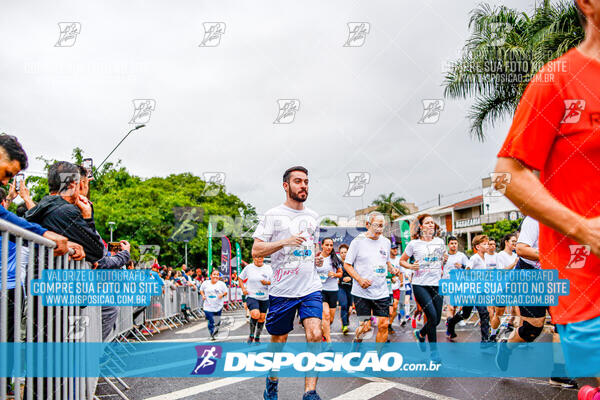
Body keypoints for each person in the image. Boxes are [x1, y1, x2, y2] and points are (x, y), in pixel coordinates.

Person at [495, 1, 600, 393]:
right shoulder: (557, 79)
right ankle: (514, 351)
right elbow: (507, 179)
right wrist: (584, 230)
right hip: (565, 276)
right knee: (534, 328)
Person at [251, 166, 324, 400]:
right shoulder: (273, 215)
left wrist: (318, 258)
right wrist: (285, 242)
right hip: (282, 290)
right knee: (279, 341)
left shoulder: (313, 217)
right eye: (298, 182)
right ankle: (271, 383)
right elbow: (257, 249)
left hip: (310, 287)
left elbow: (313, 249)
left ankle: (310, 392)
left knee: (315, 334)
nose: (303, 186)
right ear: (286, 186)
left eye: (306, 182)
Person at [25, 161, 104, 263]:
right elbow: (96, 251)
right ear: (72, 186)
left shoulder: (42, 207)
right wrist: (88, 216)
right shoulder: (66, 211)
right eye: (77, 184)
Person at [344, 212, 400, 346]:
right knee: (366, 328)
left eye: (382, 226)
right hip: (361, 292)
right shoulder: (357, 242)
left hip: (381, 291)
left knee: (383, 325)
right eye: (377, 226)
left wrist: (393, 269)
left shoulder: (386, 242)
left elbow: (386, 262)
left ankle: (377, 358)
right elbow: (347, 264)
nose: (380, 229)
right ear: (368, 225)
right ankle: (357, 341)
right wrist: (359, 279)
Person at [399, 214, 446, 360]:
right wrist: (411, 265)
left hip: (437, 284)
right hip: (420, 284)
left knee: (437, 319)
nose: (431, 225)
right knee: (431, 315)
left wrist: (445, 259)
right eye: (428, 223)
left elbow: (442, 259)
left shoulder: (439, 242)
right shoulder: (414, 244)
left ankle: (420, 333)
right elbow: (402, 261)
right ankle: (434, 352)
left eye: (433, 222)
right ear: (421, 226)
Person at [445, 234, 491, 345]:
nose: (487, 245)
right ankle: (451, 322)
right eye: (484, 244)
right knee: (471, 314)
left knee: (480, 314)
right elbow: (468, 268)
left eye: (487, 243)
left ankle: (485, 340)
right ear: (477, 246)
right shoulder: (475, 258)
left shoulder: (486, 258)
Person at [490, 232, 519, 341]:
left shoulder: (516, 255)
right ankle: (492, 334)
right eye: (513, 242)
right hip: (502, 288)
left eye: (516, 242)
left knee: (517, 311)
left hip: (514, 287)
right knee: (499, 313)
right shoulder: (501, 255)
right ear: (506, 242)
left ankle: (516, 335)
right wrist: (514, 263)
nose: (514, 244)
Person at [239, 256, 272, 344]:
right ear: (253, 258)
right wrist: (243, 289)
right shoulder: (249, 267)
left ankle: (257, 336)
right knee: (255, 314)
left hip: (265, 297)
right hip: (252, 296)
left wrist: (267, 283)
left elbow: (275, 281)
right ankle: (251, 335)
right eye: (257, 257)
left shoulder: (268, 268)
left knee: (261, 318)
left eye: (261, 257)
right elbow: (240, 278)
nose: (259, 259)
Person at [315, 237, 342, 345]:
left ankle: (323, 334)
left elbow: (340, 273)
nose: (329, 247)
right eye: (327, 245)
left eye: (331, 245)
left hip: (333, 290)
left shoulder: (335, 258)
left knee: (330, 319)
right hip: (320, 290)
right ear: (322, 245)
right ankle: (328, 342)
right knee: (325, 315)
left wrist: (335, 274)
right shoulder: (317, 258)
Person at [442, 236, 468, 322]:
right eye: (452, 243)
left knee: (456, 306)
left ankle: (450, 323)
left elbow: (469, 268)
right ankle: (449, 326)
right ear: (448, 245)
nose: (454, 245)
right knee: (450, 307)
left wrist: (462, 266)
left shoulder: (462, 256)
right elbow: (437, 267)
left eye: (455, 243)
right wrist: (442, 262)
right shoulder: (444, 256)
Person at [199, 270, 228, 340]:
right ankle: (212, 333)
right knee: (211, 320)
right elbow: (201, 290)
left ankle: (216, 329)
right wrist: (203, 295)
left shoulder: (221, 284)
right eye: (214, 274)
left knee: (217, 321)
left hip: (218, 306)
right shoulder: (205, 283)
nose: (216, 276)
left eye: (217, 275)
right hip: (208, 306)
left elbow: (226, 292)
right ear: (211, 276)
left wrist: (222, 294)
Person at [336, 244, 353, 335]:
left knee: (349, 309)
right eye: (341, 252)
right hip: (341, 287)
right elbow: (334, 274)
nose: (343, 254)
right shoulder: (337, 263)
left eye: (345, 252)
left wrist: (351, 278)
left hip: (351, 288)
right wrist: (340, 279)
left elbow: (357, 274)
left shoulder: (352, 263)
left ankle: (346, 320)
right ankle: (344, 325)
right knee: (343, 305)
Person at [387, 243, 402, 334]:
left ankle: (389, 324)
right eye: (393, 249)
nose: (395, 250)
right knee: (389, 311)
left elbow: (401, 272)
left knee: (395, 307)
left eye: (396, 248)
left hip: (396, 288)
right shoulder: (386, 260)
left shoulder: (398, 259)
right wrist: (389, 278)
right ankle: (385, 324)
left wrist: (402, 282)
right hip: (387, 288)